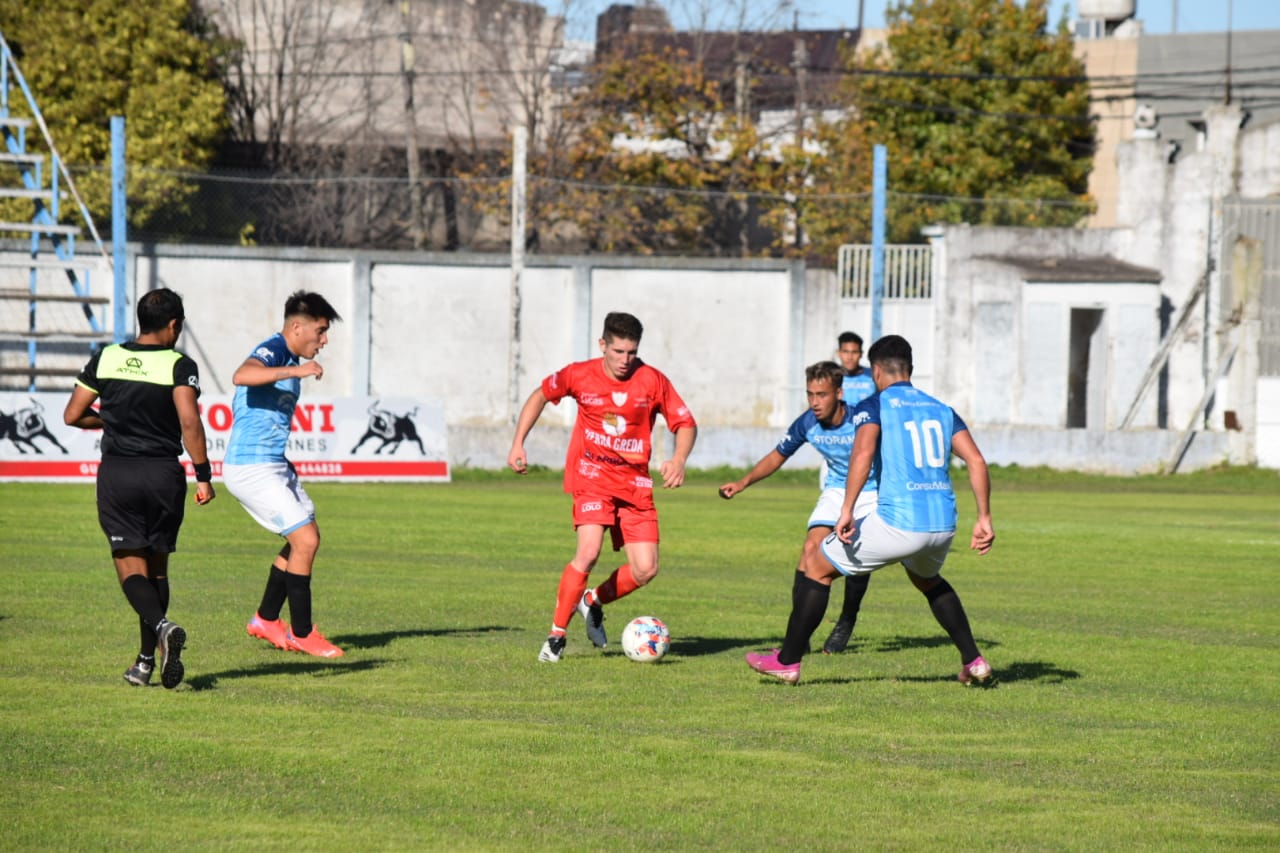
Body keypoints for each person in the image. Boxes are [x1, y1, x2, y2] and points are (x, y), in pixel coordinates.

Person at [746, 334, 996, 686]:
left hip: (901, 522)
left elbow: (862, 454)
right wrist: (983, 517)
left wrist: (846, 509)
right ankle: (975, 661)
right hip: (943, 523)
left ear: (876, 370)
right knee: (927, 580)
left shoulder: (874, 404)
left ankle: (786, 661)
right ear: (910, 369)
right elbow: (976, 459)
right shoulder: (941, 408)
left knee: (816, 564)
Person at [508, 311, 697, 663]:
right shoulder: (580, 375)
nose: (625, 360)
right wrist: (518, 442)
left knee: (645, 569)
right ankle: (556, 637)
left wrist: (679, 458)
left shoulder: (652, 380)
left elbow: (685, 422)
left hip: (635, 484)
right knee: (589, 552)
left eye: (632, 352)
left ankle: (592, 600)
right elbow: (539, 395)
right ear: (602, 345)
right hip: (591, 477)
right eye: (618, 352)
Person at [63, 288, 216, 689]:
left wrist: (111, 422)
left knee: (131, 567)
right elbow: (189, 422)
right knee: (158, 568)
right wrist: (203, 475)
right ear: (173, 325)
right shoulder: (179, 365)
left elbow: (73, 414)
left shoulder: (107, 357)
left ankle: (160, 634)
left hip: (119, 475)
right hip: (164, 475)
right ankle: (147, 660)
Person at [718, 360, 877, 653]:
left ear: (839, 393)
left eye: (822, 394)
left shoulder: (862, 420)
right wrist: (742, 483)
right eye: (810, 394)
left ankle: (846, 620)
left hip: (871, 491)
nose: (815, 402)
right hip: (835, 491)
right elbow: (777, 457)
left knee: (854, 560)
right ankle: (798, 635)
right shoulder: (807, 423)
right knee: (809, 551)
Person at [223, 290, 344, 658]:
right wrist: (296, 370)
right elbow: (241, 375)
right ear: (296, 327)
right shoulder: (274, 349)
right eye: (320, 331)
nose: (324, 341)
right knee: (305, 541)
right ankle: (303, 633)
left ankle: (265, 619)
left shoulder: (288, 356)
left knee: (304, 538)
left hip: (274, 464)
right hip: (251, 467)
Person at [822, 330, 879, 653]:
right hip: (836, 467)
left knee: (857, 542)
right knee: (819, 543)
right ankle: (805, 622)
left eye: (855, 352)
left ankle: (846, 619)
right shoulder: (829, 377)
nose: (849, 357)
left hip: (867, 465)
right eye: (845, 352)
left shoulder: (874, 379)